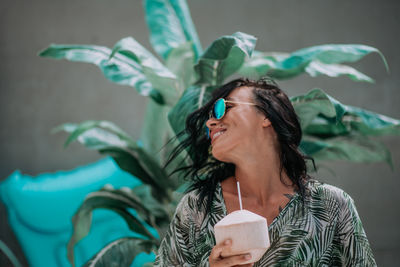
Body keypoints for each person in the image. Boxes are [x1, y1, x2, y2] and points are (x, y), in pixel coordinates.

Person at [154, 77, 376, 266]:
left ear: (267, 116)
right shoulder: (196, 209)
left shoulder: (332, 206)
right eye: (210, 117)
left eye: (222, 108)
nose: (211, 122)